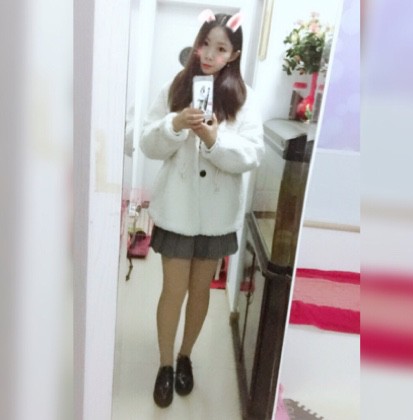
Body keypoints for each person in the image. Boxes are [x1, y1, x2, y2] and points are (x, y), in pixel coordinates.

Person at [139, 10, 264, 408]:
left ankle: (185, 356)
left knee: (199, 292)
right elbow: (147, 143)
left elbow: (253, 154)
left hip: (215, 216)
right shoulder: (175, 87)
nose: (209, 54)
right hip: (177, 209)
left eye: (220, 48)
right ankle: (164, 365)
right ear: (196, 45)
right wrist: (174, 124)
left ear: (234, 54)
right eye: (205, 44)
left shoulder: (244, 98)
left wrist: (214, 140)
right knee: (172, 291)